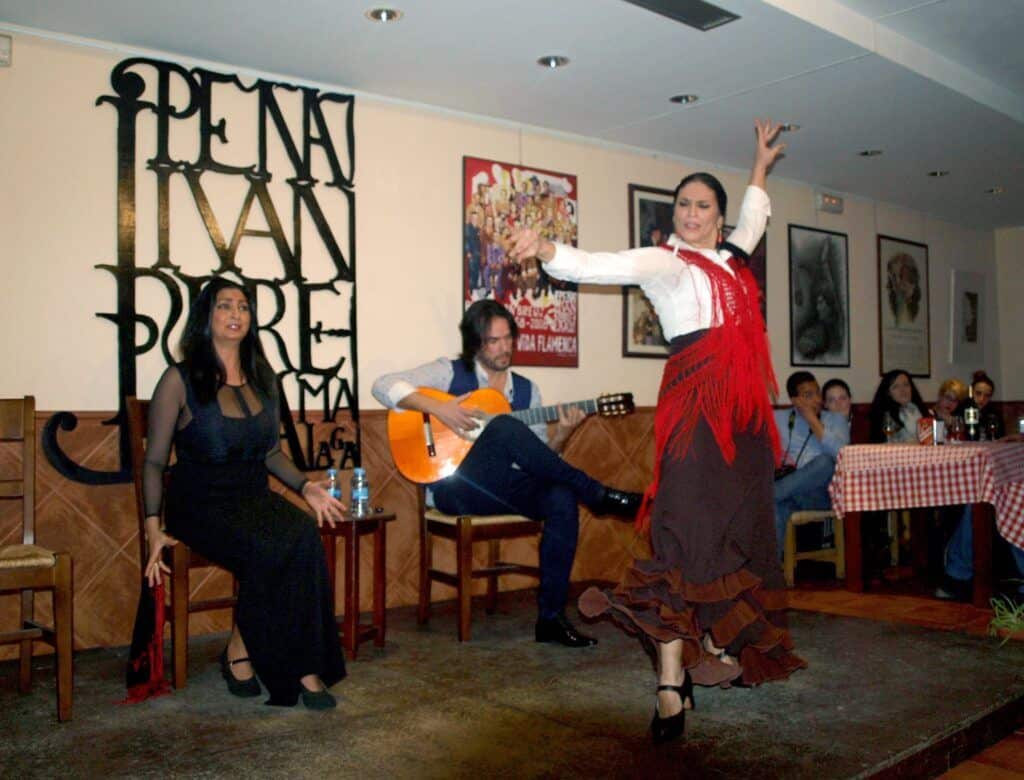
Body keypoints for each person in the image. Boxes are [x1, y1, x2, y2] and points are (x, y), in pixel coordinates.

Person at [509, 119, 805, 744]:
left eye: (702, 206)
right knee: (681, 535)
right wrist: (545, 250)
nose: (691, 214)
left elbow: (754, 220)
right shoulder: (662, 262)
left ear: (716, 218)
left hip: (744, 420)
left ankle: (702, 653)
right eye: (683, 206)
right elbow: (595, 264)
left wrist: (758, 164)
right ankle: (671, 680)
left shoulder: (730, 261)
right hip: (696, 412)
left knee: (732, 536)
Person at [371, 299, 642, 648]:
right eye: (493, 341)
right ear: (475, 344)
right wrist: (440, 408)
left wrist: (563, 433)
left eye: (508, 338)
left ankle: (550, 619)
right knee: (502, 427)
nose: (504, 348)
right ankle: (598, 495)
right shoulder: (450, 372)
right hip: (454, 487)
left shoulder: (528, 390)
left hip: (503, 486)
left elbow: (544, 459)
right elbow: (382, 384)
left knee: (561, 497)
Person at [141, 278, 347, 709]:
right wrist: (153, 530)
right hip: (198, 502)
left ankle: (292, 660)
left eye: (244, 307)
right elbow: (155, 463)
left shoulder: (264, 378)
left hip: (251, 496)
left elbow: (271, 452)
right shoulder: (178, 380)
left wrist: (306, 487)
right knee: (270, 547)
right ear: (206, 317)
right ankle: (266, 660)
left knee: (304, 536)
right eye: (224, 306)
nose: (236, 314)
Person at [772, 371, 849, 554]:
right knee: (777, 505)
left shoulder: (835, 420)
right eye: (808, 395)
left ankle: (771, 493)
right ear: (794, 400)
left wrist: (813, 420)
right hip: (792, 493)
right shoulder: (779, 418)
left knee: (824, 463)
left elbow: (843, 457)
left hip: (821, 495)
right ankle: (776, 568)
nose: (816, 399)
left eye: (817, 392)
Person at [868, 370, 928, 444]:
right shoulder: (884, 416)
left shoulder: (920, 410)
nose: (902, 390)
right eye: (895, 387)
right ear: (888, 393)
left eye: (906, 385)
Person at [969, 370, 1004, 440]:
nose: (982, 399)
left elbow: (1001, 437)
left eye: (987, 395)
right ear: (971, 392)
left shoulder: (994, 413)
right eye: (978, 393)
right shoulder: (962, 409)